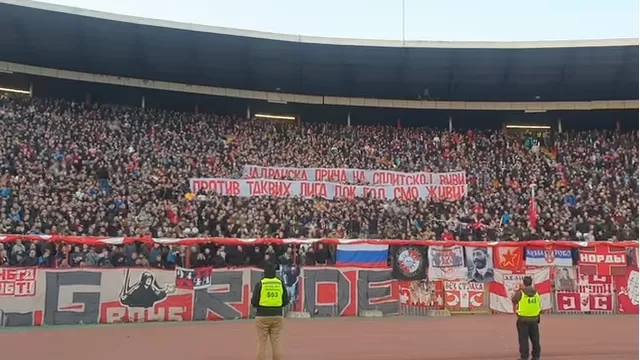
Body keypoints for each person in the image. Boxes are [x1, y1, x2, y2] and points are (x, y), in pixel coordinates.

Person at [251, 263, 290, 360]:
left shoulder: (261, 283)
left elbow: (254, 301)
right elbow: (285, 300)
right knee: (276, 342)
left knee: (262, 342)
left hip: (262, 315)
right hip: (277, 315)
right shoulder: (279, 283)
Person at [511, 276, 542, 360]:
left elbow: (514, 300)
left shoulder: (521, 293)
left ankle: (524, 357)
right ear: (531, 283)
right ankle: (536, 356)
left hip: (523, 319)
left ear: (524, 283)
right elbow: (539, 305)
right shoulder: (536, 293)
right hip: (534, 319)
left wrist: (518, 291)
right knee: (535, 339)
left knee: (523, 339)